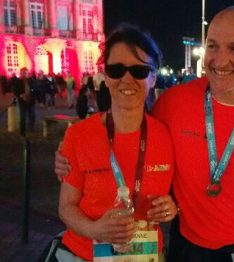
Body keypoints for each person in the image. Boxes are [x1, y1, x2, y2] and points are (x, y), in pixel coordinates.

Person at [56, 6, 234, 262]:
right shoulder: (173, 103)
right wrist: (69, 156)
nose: (220, 60)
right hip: (187, 249)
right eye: (213, 45)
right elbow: (132, 137)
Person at [49, 23, 178, 261]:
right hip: (83, 254)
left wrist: (170, 208)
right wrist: (94, 229)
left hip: (144, 255)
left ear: (153, 77)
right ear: (105, 77)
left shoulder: (167, 135)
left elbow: (174, 197)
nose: (127, 79)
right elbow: (66, 207)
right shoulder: (79, 135)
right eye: (116, 70)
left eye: (139, 71)